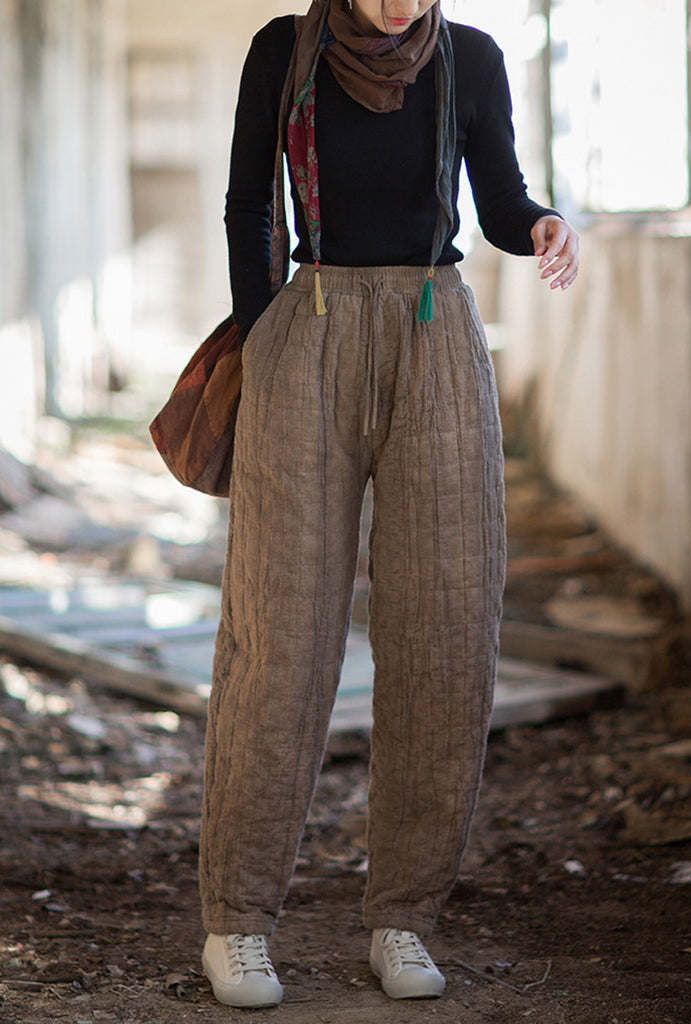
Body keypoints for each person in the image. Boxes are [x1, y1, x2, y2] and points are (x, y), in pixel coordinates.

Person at [198, 0, 579, 1009]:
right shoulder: (286, 50)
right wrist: (264, 337)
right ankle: (238, 923)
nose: (404, 0)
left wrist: (540, 224)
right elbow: (247, 203)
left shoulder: (469, 58)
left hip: (435, 335)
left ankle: (403, 917)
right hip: (308, 329)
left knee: (444, 630)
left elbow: (499, 198)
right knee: (280, 634)